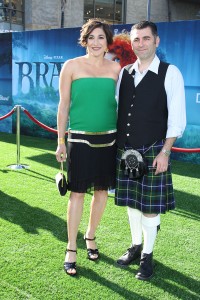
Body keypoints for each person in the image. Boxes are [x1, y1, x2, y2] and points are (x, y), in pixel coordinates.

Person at [115, 20, 186, 280]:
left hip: (154, 150)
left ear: (156, 41)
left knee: (149, 207)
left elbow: (177, 118)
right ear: (131, 42)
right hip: (128, 151)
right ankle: (135, 246)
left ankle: (147, 256)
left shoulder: (170, 73)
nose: (141, 44)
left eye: (146, 38)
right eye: (136, 39)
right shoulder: (124, 73)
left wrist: (165, 152)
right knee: (133, 204)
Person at [55, 18, 121, 276]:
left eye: (101, 38)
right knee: (78, 194)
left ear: (107, 42)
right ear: (85, 40)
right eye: (91, 37)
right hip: (79, 140)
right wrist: (60, 141)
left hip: (109, 140)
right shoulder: (71, 66)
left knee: (102, 193)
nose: (96, 42)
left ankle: (90, 236)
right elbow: (63, 106)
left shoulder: (117, 69)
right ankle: (71, 246)